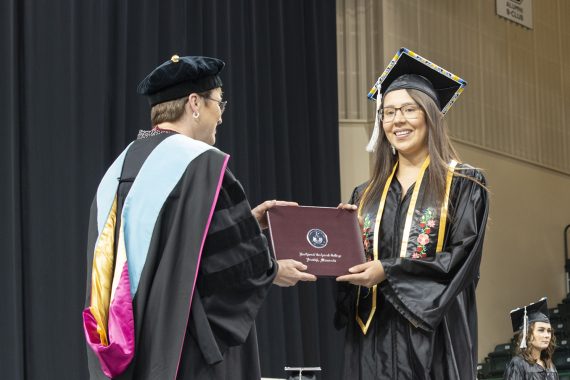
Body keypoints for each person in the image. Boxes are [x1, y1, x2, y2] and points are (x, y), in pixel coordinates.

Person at [82, 55, 315, 380]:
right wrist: (273, 268)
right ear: (195, 103)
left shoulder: (118, 170)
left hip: (133, 351)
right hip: (185, 351)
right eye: (218, 103)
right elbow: (231, 267)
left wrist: (246, 220)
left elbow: (173, 246)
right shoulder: (201, 166)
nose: (220, 115)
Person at [335, 48, 489, 379]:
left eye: (409, 109)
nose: (397, 120)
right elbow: (352, 272)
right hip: (370, 341)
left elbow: (461, 262)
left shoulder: (463, 183)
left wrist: (388, 271)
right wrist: (334, 245)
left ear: (431, 116)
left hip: (432, 338)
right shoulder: (365, 195)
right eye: (388, 113)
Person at [503, 298, 558, 379]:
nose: (547, 335)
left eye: (549, 331)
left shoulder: (550, 365)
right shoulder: (518, 364)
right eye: (541, 330)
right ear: (528, 334)